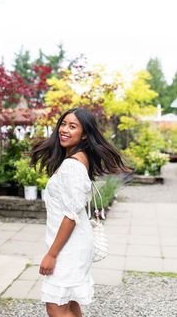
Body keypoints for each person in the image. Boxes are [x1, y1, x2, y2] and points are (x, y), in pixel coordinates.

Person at [30, 108, 131, 317]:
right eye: (63, 124)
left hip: (69, 247)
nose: (64, 130)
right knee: (69, 302)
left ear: (84, 134)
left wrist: (51, 254)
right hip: (72, 244)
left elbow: (71, 216)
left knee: (55, 306)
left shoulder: (72, 166)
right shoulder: (77, 159)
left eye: (72, 126)